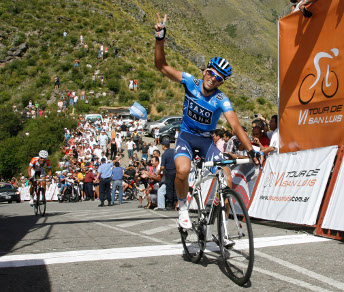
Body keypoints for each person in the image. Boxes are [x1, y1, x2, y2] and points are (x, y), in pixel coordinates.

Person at [154, 13, 261, 229]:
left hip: (206, 141)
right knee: (182, 171)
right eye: (211, 72)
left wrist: (251, 150)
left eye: (219, 78)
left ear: (222, 82)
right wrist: (159, 38)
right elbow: (162, 66)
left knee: (227, 179)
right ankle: (183, 207)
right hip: (186, 137)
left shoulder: (222, 99)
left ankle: (223, 227)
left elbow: (235, 126)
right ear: (204, 70)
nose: (213, 78)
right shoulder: (190, 82)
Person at [159, 141, 176, 210]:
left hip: (169, 172)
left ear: (163, 146)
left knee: (169, 188)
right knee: (175, 187)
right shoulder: (174, 151)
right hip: (176, 171)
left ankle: (170, 204)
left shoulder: (164, 154)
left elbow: (162, 167)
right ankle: (176, 202)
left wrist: (159, 171)